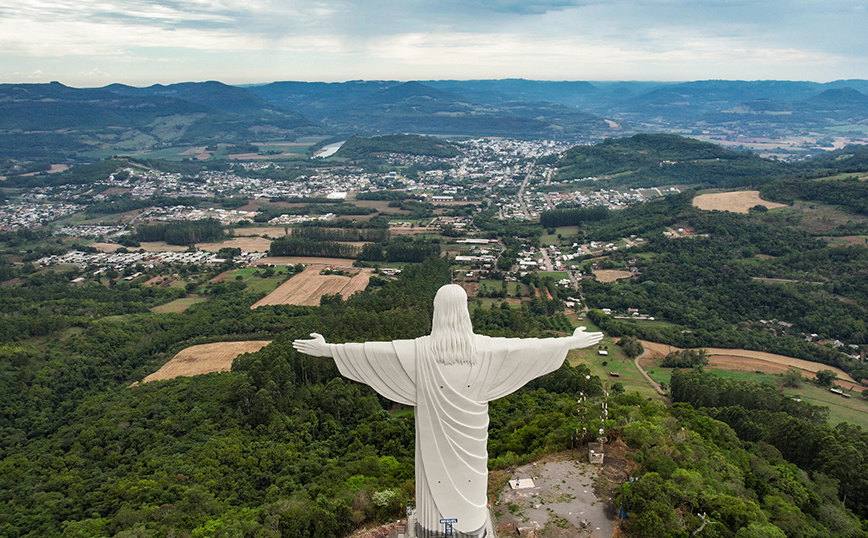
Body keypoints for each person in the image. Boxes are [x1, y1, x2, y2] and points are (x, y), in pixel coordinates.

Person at [293, 284, 602, 536]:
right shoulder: (486, 350)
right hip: (472, 445)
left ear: (436, 312)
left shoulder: (418, 351)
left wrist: (329, 350)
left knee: (439, 501)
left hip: (438, 446)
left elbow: (374, 351)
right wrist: (567, 343)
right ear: (464, 312)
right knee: (464, 500)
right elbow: (527, 347)